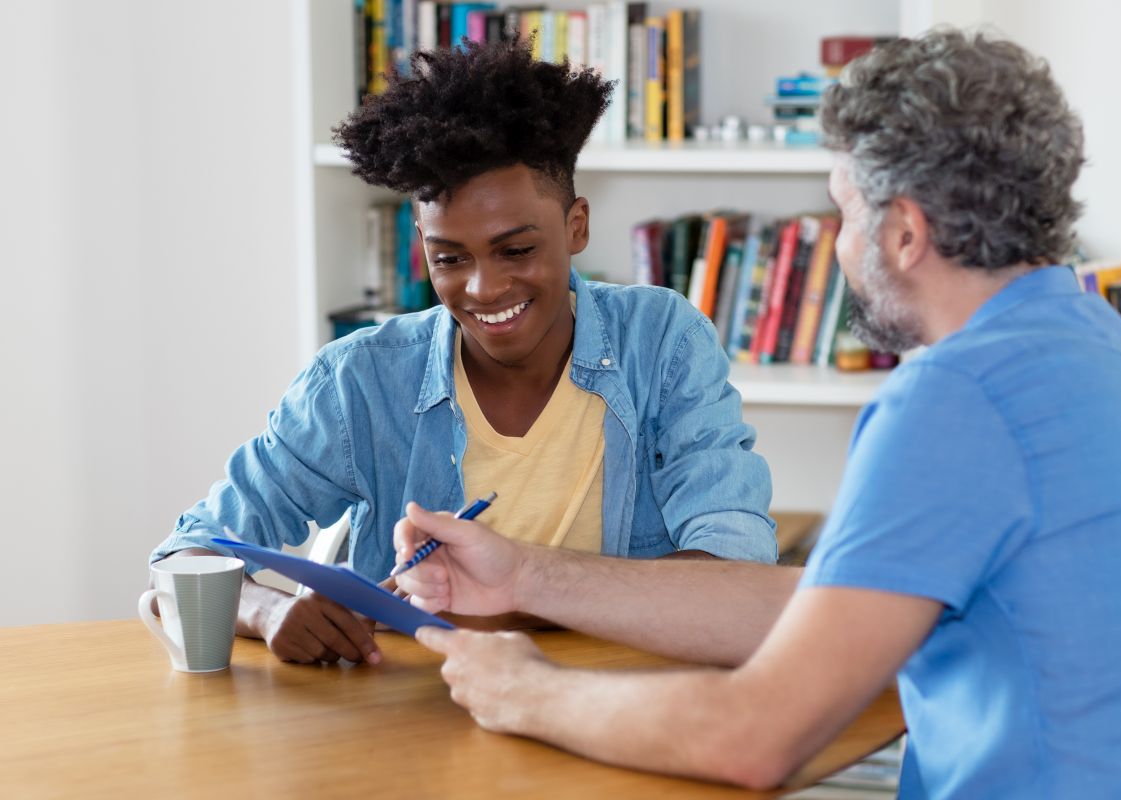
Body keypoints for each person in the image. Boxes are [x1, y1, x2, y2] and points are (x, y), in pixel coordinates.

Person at [393, 30, 1121, 799]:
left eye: (843, 214)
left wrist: (527, 691)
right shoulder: (1101, 351)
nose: (838, 249)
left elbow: (754, 736)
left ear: (905, 233)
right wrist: (526, 573)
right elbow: (824, 604)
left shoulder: (958, 400)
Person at [147, 40, 777, 666]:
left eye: (517, 250)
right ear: (422, 246)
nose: (484, 288)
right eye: (450, 258)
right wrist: (270, 610)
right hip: (421, 718)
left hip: (620, 701)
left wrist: (517, 597)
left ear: (576, 226)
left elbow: (738, 569)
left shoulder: (661, 341)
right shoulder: (358, 380)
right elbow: (185, 553)